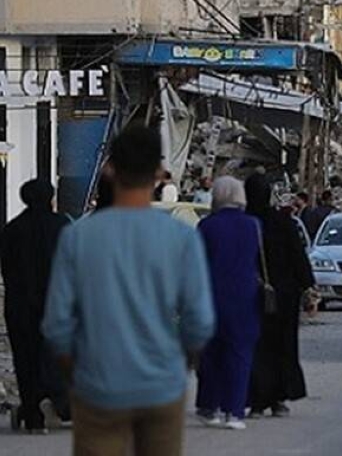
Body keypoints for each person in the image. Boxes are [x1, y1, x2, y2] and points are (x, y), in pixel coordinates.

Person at [42, 126, 215, 455]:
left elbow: (57, 325)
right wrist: (178, 363)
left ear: (110, 169)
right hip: (162, 387)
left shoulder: (78, 237)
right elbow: (200, 321)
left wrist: (76, 372)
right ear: (159, 173)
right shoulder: (181, 238)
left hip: (98, 387)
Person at [1, 179, 71, 433]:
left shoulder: (12, 229)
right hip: (57, 304)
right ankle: (58, 402)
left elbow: (7, 269)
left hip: (21, 305)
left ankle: (33, 414)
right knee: (56, 355)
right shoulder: (62, 226)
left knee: (26, 358)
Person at [245, 173, 317, 417]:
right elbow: (298, 256)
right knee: (283, 345)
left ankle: (257, 399)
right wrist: (308, 288)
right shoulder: (282, 221)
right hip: (284, 296)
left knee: (258, 348)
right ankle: (279, 397)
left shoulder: (245, 222)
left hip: (252, 294)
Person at [195, 177, 261, 430]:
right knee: (240, 354)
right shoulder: (252, 225)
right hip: (244, 297)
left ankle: (208, 406)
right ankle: (234, 411)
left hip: (210, 296)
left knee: (211, 354)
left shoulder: (206, 226)